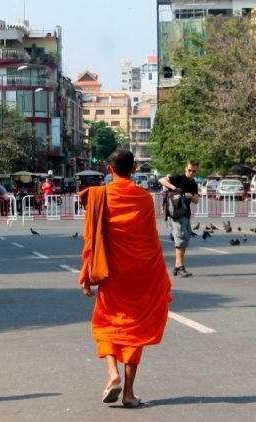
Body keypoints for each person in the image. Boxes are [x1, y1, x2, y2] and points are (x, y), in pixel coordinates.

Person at [79, 150, 171, 408]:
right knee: (134, 329)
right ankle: (128, 393)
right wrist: (159, 275)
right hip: (140, 274)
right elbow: (150, 241)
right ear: (133, 170)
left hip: (111, 273)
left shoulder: (99, 196)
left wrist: (87, 272)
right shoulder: (143, 199)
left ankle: (112, 374)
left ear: (109, 170)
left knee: (105, 322)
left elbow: (92, 240)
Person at [159, 160, 199, 277]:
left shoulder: (193, 184)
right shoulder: (179, 178)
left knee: (184, 240)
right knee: (180, 240)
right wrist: (174, 188)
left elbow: (196, 200)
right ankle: (181, 267)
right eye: (189, 170)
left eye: (194, 171)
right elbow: (161, 180)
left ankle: (177, 266)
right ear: (185, 169)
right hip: (176, 214)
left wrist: (190, 196)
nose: (191, 173)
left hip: (186, 214)